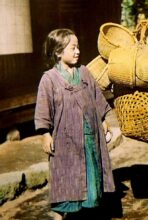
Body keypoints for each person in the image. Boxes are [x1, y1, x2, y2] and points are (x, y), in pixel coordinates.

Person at [34, 29, 115, 220]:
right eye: (73, 48)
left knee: (91, 180)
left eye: (78, 47)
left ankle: (87, 214)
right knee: (66, 180)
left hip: (89, 139)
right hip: (65, 142)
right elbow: (43, 108)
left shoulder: (85, 73)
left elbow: (97, 97)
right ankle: (59, 214)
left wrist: (103, 120)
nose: (78, 51)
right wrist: (45, 134)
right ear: (58, 52)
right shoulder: (49, 79)